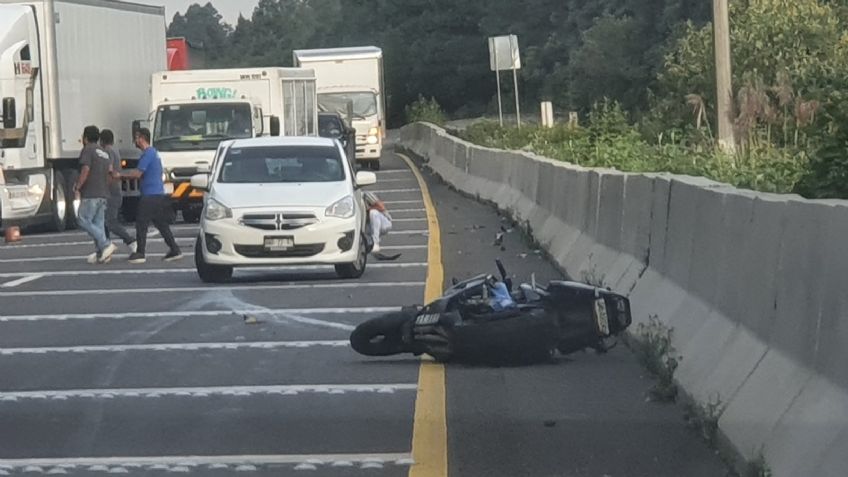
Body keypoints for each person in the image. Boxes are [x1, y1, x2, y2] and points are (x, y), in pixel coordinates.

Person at [121, 128, 182, 264]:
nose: (134, 141)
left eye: (136, 138)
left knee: (141, 223)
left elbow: (137, 174)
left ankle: (140, 253)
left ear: (142, 138)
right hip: (158, 193)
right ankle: (174, 249)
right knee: (161, 224)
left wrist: (119, 175)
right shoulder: (154, 153)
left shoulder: (148, 154)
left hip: (150, 195)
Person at [74, 125, 117, 264]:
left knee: (83, 220)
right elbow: (110, 173)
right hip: (103, 193)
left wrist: (78, 186)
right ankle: (102, 253)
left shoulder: (88, 150)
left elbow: (85, 169)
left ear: (85, 138)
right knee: (98, 223)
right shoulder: (103, 152)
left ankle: (106, 244)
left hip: (90, 193)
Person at [99, 129, 136, 254]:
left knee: (110, 221)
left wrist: (103, 188)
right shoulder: (115, 151)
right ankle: (104, 247)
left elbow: (109, 172)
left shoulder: (107, 152)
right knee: (104, 221)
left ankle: (130, 241)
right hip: (115, 189)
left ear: (102, 140)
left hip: (111, 191)